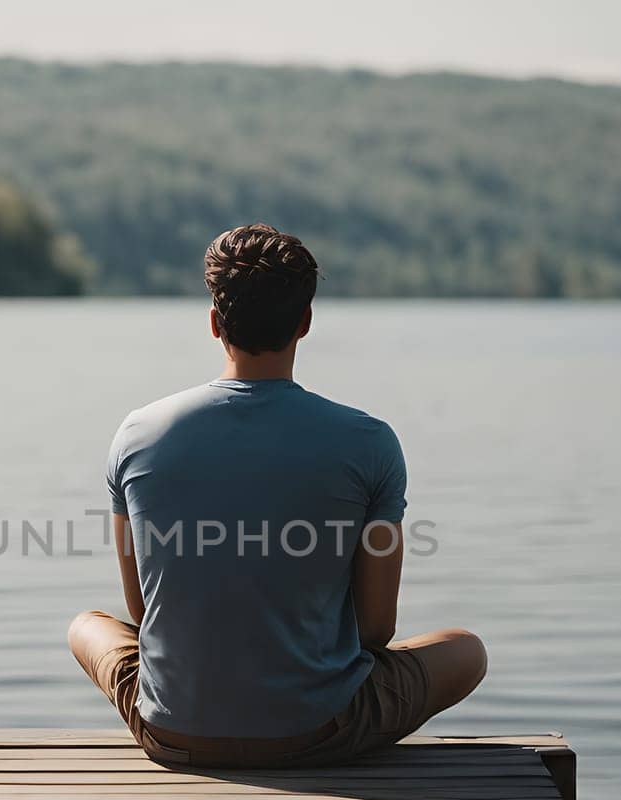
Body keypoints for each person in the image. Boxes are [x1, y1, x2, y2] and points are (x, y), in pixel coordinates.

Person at [67, 223, 486, 769]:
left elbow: (143, 610)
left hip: (171, 730)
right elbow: (377, 630)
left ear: (215, 323)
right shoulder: (369, 443)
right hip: (319, 731)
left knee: (86, 626)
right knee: (466, 650)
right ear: (305, 323)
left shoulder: (137, 433)